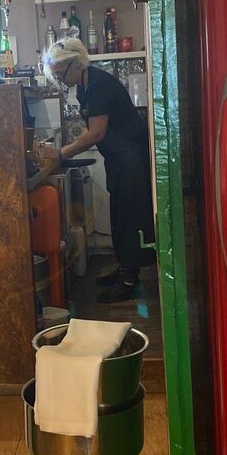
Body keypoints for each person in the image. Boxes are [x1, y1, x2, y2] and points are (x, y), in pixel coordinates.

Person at [42, 38, 155, 302]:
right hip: (118, 158)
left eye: (60, 74)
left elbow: (96, 133)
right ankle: (125, 268)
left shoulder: (99, 86)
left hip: (131, 158)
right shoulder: (84, 86)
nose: (60, 80)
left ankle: (129, 281)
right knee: (119, 216)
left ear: (75, 63)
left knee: (130, 218)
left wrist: (61, 153)